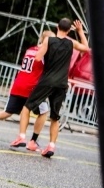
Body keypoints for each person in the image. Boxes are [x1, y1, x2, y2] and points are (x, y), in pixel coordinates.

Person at [12, 18, 89, 158]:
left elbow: (37, 58)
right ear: (69, 30)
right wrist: (80, 31)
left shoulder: (48, 41)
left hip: (46, 80)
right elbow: (86, 48)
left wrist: (45, 52)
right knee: (55, 116)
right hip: (61, 83)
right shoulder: (71, 43)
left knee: (27, 108)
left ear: (57, 27)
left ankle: (22, 136)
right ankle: (51, 146)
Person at [0, 31, 55, 151]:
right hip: (31, 88)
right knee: (44, 111)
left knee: (7, 112)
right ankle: (32, 141)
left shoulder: (30, 49)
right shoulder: (45, 53)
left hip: (19, 84)